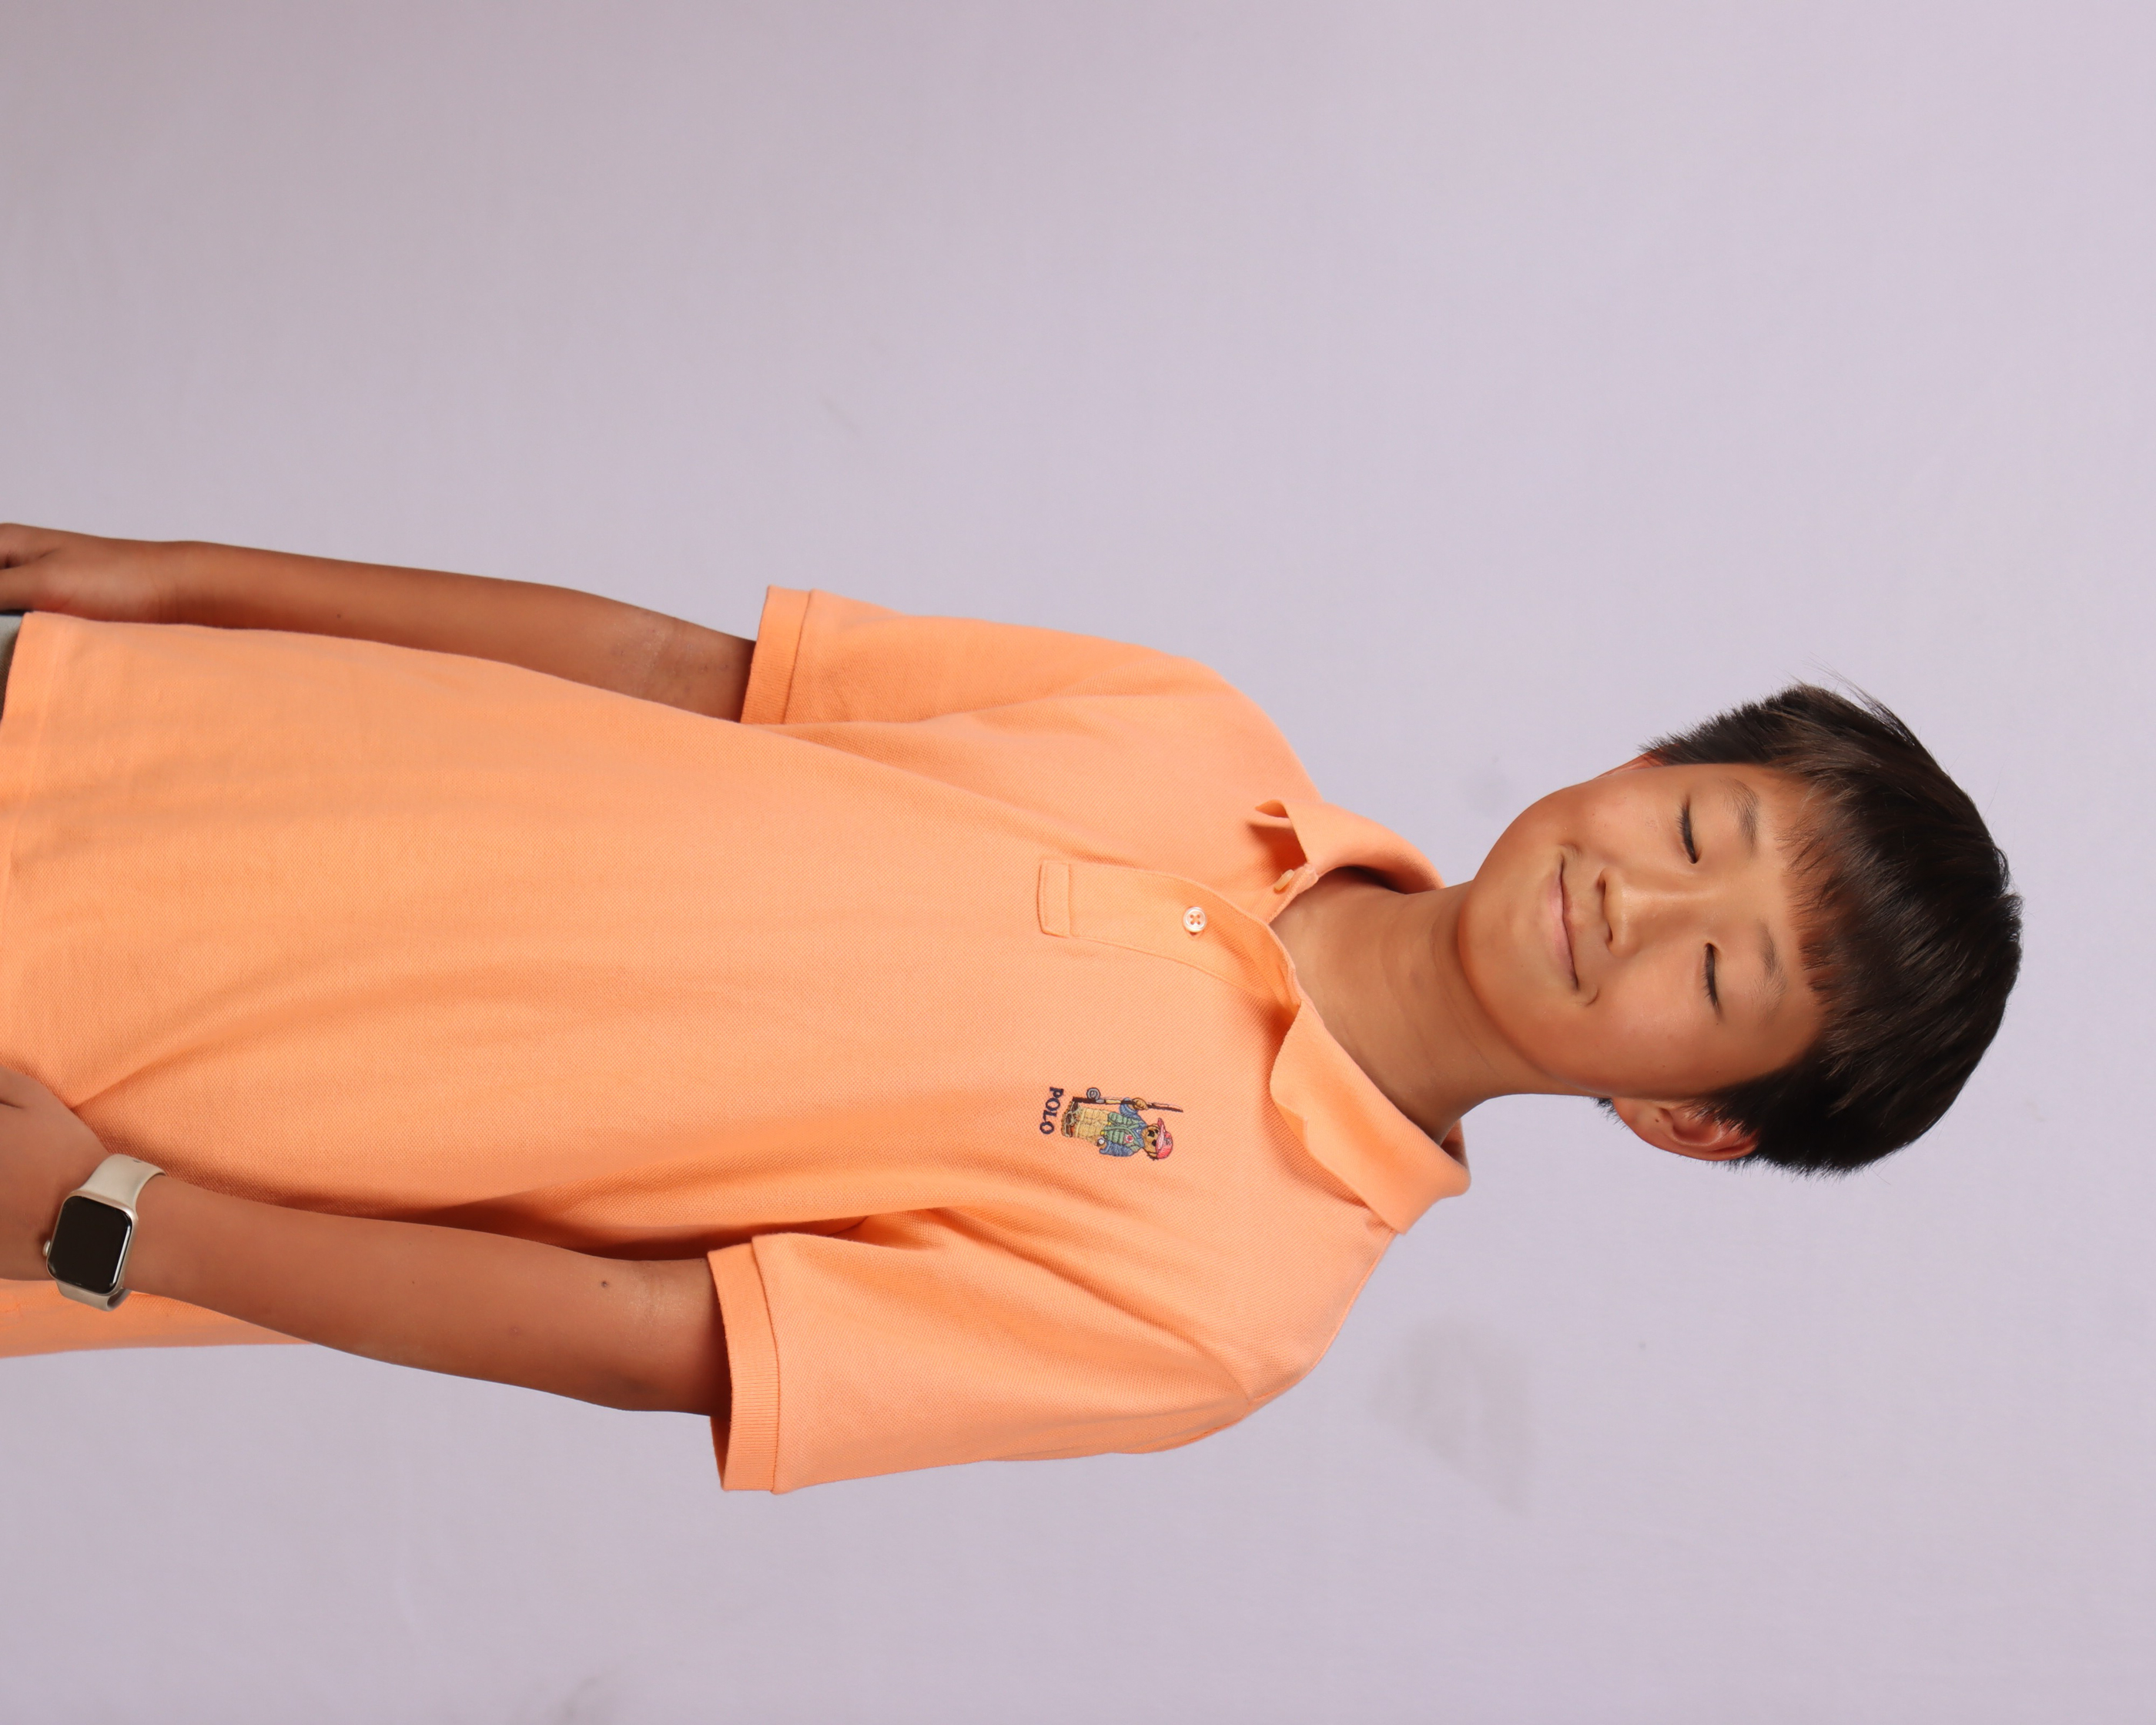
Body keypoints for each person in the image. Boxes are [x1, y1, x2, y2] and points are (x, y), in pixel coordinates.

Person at [0, 525, 2020, 1492]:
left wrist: (111, 1220)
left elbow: (654, 1338)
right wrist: (164, 586)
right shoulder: (1189, 727)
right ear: (1651, 761)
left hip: (74, 1090)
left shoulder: (1225, 1301)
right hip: (107, 716)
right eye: (1696, 827)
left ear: (1693, 1117)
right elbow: (677, 672)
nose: (1637, 900)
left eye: (1716, 971)